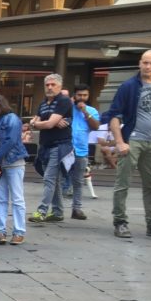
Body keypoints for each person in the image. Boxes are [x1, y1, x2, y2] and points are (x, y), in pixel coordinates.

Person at [102, 49, 151, 240]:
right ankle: (120, 221)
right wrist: (119, 142)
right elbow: (114, 115)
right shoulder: (129, 86)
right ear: (139, 63)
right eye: (145, 62)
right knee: (123, 183)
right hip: (132, 140)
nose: (148, 66)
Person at [28, 73, 72, 226]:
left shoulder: (64, 100)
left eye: (53, 85)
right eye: (47, 85)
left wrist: (40, 123)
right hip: (46, 145)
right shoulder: (43, 103)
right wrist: (42, 122)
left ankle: (42, 211)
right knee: (55, 180)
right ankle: (58, 212)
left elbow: (47, 124)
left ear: (60, 86)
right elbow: (39, 121)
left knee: (49, 179)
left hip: (59, 145)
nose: (50, 87)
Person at [0, 94, 27, 245]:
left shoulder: (11, 118)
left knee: (17, 198)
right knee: (1, 198)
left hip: (13, 162)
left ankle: (19, 231)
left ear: (0, 104)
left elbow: (10, 141)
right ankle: (0, 231)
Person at [63, 83, 99, 219]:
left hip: (81, 151)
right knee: (58, 179)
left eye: (85, 95)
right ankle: (57, 209)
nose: (82, 98)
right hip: (65, 149)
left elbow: (96, 126)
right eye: (79, 95)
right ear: (75, 95)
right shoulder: (67, 108)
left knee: (78, 181)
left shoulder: (92, 111)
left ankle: (76, 209)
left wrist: (85, 112)